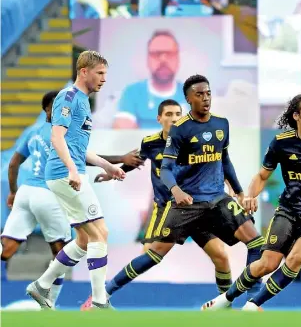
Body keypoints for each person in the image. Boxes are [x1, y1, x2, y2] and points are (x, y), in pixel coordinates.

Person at [80, 98, 234, 311]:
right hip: (169, 209)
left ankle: (225, 306)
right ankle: (100, 297)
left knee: (221, 256)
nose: (173, 118)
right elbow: (135, 161)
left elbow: (215, 162)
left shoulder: (195, 139)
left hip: (198, 209)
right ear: (159, 118)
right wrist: (113, 174)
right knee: (150, 256)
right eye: (168, 114)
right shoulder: (151, 142)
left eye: (177, 114)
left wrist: (230, 184)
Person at [26, 51, 126, 310]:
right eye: (100, 73)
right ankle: (100, 301)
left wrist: (108, 166)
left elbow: (77, 146)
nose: (104, 79)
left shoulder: (83, 101)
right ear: (84, 71)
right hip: (65, 174)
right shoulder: (68, 97)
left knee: (85, 239)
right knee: (99, 234)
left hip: (70, 172)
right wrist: (72, 170)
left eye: (106, 74)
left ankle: (42, 285)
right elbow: (56, 138)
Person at [159, 75, 265, 302]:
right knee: (153, 255)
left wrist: (239, 193)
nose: (206, 98)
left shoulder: (221, 124)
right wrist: (176, 190)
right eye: (199, 94)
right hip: (188, 204)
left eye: (208, 93)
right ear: (188, 99)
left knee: (254, 243)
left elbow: (225, 161)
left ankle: (250, 299)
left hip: (217, 199)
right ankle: (105, 295)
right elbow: (165, 169)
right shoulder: (180, 130)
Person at [201, 93, 301, 312]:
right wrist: (250, 196)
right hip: (288, 211)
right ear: (297, 115)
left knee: (296, 259)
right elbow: (262, 176)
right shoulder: (282, 142)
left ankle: (253, 304)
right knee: (267, 264)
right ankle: (225, 300)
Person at [1, 91, 70, 307]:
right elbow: (85, 159)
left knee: (7, 248)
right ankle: (49, 305)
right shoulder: (64, 132)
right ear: (50, 109)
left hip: (25, 192)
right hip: (48, 194)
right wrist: (117, 161)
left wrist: (13, 191)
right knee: (62, 253)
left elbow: (13, 165)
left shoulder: (32, 131)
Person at [113, 30, 187, 130]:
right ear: (148, 60)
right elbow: (123, 132)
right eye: (156, 54)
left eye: (169, 54)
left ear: (178, 59)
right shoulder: (132, 92)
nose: (163, 60)